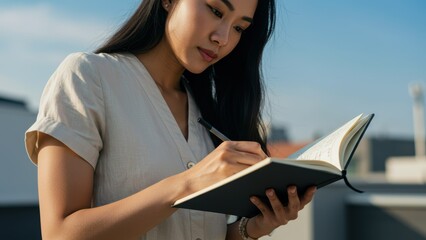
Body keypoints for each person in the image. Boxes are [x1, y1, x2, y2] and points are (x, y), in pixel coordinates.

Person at [25, 0, 316, 239]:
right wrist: (187, 184)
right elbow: (59, 233)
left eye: (239, 27)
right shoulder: (88, 78)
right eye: (216, 11)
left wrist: (253, 227)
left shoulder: (207, 111)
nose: (223, 38)